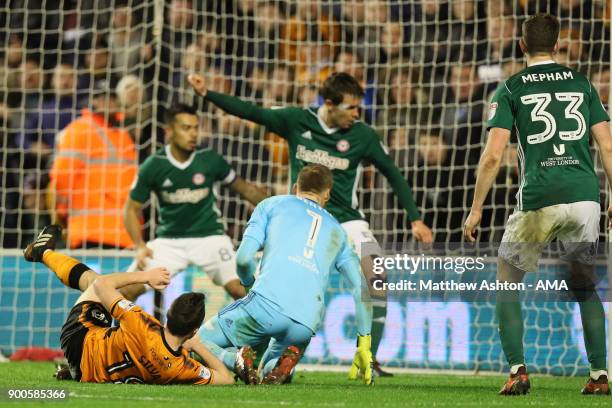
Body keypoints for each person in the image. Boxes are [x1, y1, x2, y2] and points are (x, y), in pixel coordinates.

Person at [188, 71, 433, 377]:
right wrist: (208, 93)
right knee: (280, 283)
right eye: (351, 107)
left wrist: (415, 217)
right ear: (329, 104)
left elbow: (392, 173)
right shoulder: (297, 120)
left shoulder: (363, 135)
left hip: (347, 221)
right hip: (301, 216)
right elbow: (253, 112)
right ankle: (270, 355)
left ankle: (372, 356)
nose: (358, 114)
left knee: (377, 275)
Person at [464, 14, 611, 396]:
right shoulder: (582, 84)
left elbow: (493, 156)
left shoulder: (511, 88)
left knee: (508, 281)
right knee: (584, 285)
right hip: (584, 197)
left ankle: (517, 371)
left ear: (522, 46)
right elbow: (607, 145)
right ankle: (599, 376)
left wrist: (477, 207)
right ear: (558, 45)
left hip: (539, 196)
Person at [198, 164, 373, 385]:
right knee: (265, 371)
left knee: (192, 342)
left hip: (265, 306)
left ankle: (234, 358)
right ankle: (280, 366)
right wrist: (364, 343)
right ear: (327, 194)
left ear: (294, 187)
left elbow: (243, 259)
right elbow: (361, 288)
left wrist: (249, 286)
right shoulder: (340, 231)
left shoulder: (272, 204)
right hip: (306, 323)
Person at [23, 224, 234, 385]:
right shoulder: (182, 368)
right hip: (90, 373)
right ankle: (73, 370)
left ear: (168, 313)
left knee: (92, 282)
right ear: (194, 330)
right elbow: (226, 379)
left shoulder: (141, 323)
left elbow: (101, 284)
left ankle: (43, 252)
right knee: (100, 294)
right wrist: (197, 345)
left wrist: (146, 276)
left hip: (79, 339)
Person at [123, 103, 267, 304]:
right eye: (186, 128)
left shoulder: (209, 160)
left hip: (210, 237)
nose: (193, 134)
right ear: (169, 132)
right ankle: (116, 336)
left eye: (195, 128)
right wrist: (139, 245)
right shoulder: (154, 165)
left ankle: (265, 335)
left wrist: (278, 207)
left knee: (243, 291)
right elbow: (131, 209)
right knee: (126, 292)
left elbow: (245, 189)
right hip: (169, 242)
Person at [49, 79, 137, 249]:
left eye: (111, 97)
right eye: (100, 97)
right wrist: (61, 213)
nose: (107, 102)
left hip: (125, 234)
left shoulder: (124, 136)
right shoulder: (79, 130)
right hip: (90, 233)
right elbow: (62, 176)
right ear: (92, 102)